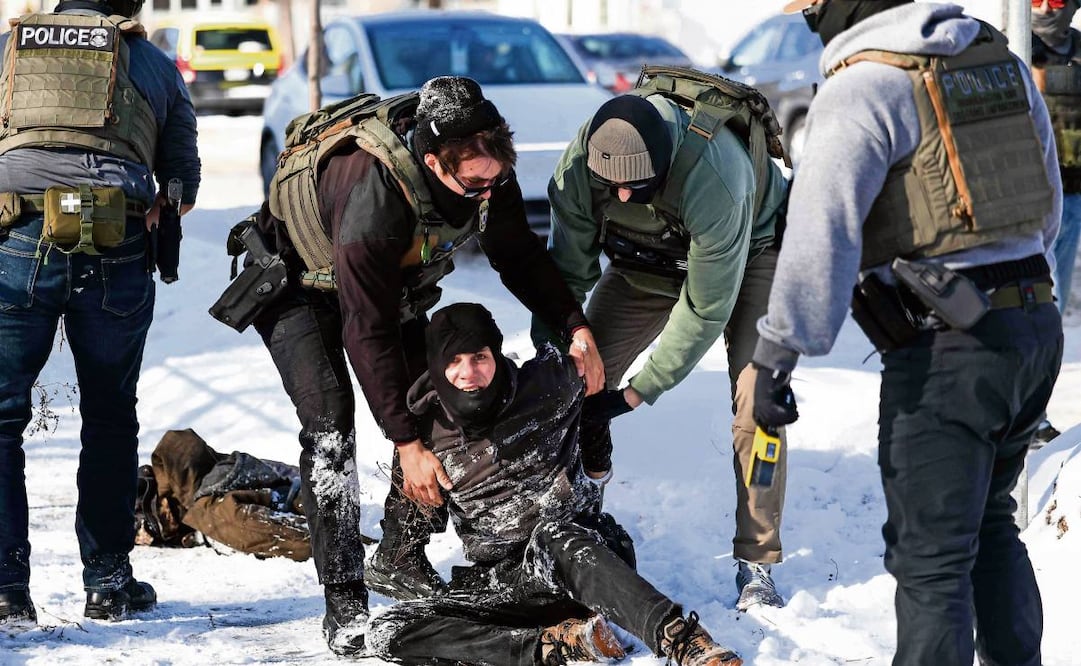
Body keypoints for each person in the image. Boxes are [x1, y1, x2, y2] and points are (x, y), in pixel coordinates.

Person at [240, 76, 603, 655]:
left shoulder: (487, 170)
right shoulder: (374, 199)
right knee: (332, 429)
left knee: (442, 402)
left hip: (387, 287)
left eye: (496, 178)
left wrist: (574, 324)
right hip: (296, 286)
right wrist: (405, 442)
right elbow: (367, 330)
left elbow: (518, 253)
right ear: (433, 163)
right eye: (474, 182)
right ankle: (345, 602)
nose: (488, 191)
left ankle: (399, 556)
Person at [753, 2, 1063, 665]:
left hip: (949, 350)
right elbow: (1046, 201)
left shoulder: (862, 84)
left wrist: (777, 354)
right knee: (987, 522)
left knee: (930, 559)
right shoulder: (996, 61)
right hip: (1032, 327)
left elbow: (821, 229)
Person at [367, 302, 742, 666]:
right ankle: (552, 646)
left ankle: (681, 640)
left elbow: (591, 404)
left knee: (554, 536)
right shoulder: (423, 442)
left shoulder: (546, 385)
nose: (469, 373)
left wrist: (597, 464)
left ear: (496, 356)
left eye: (479, 357)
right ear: (435, 366)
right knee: (386, 629)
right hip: (508, 582)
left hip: (584, 555)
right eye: (453, 361)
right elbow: (402, 549)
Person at [540, 80, 790, 610]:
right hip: (644, 262)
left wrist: (639, 391)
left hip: (750, 256)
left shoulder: (715, 176)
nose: (624, 197)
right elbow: (565, 274)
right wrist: (560, 356)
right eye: (614, 188)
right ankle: (572, 524)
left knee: (758, 402)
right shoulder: (581, 167)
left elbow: (705, 308)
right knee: (565, 381)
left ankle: (758, 560)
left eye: (637, 187)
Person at [0, 0, 200, 630]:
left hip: (16, 238)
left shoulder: (8, 50)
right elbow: (183, 183)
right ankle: (108, 582)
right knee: (110, 415)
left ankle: (7, 591)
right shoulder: (153, 63)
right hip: (113, 241)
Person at [1029, 0, 1079, 446]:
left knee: (1052, 311)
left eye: (1057, 1)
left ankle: (1034, 413)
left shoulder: (1079, 53)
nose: (1046, 8)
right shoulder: (1015, 51)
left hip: (1072, 201)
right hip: (1028, 200)